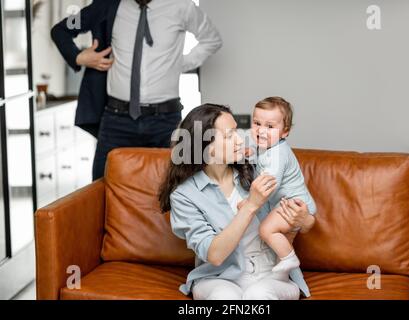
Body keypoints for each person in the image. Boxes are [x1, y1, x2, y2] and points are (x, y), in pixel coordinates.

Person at [159, 104, 316, 300]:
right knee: (225, 298)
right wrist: (251, 205)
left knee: (258, 295)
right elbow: (215, 255)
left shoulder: (256, 169)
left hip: (273, 275)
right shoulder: (184, 195)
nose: (240, 140)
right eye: (229, 135)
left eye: (237, 131)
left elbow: (303, 222)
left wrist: (305, 220)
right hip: (218, 278)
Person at [51, 0, 222, 180]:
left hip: (165, 121)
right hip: (117, 120)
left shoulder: (181, 6)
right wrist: (78, 57)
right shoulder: (108, 5)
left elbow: (212, 39)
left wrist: (180, 63)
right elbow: (61, 30)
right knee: (102, 188)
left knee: (170, 189)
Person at [244, 96, 317, 274]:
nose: (261, 130)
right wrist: (250, 152)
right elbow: (259, 154)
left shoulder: (278, 154)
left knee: (266, 230)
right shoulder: (267, 147)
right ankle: (282, 272)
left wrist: (249, 201)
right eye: (256, 123)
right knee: (283, 237)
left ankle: (289, 258)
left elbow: (269, 185)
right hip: (288, 203)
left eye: (270, 126)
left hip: (293, 204)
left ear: (285, 132)